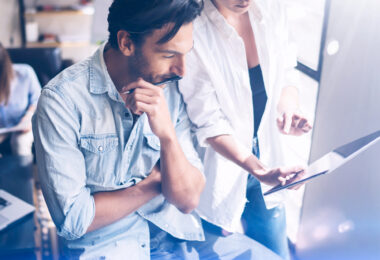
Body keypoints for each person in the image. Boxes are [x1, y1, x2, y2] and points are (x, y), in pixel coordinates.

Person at [32, 0, 282, 259]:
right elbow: (74, 220)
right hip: (108, 248)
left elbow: (187, 199)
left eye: (186, 54)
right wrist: (154, 184)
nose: (182, 70)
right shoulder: (61, 101)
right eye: (169, 55)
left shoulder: (171, 88)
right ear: (126, 42)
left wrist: (167, 137)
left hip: (178, 236)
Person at [178, 0, 312, 259]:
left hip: (270, 157)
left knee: (276, 252)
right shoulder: (191, 28)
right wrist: (260, 171)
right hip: (218, 166)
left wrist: (289, 109)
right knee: (215, 249)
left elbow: (285, 70)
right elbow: (208, 122)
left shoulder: (272, 8)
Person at [0, 43, 40, 156]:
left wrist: (28, 119)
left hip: (23, 124)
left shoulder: (25, 73)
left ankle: (25, 174)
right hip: (2, 128)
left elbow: (38, 100)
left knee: (19, 142)